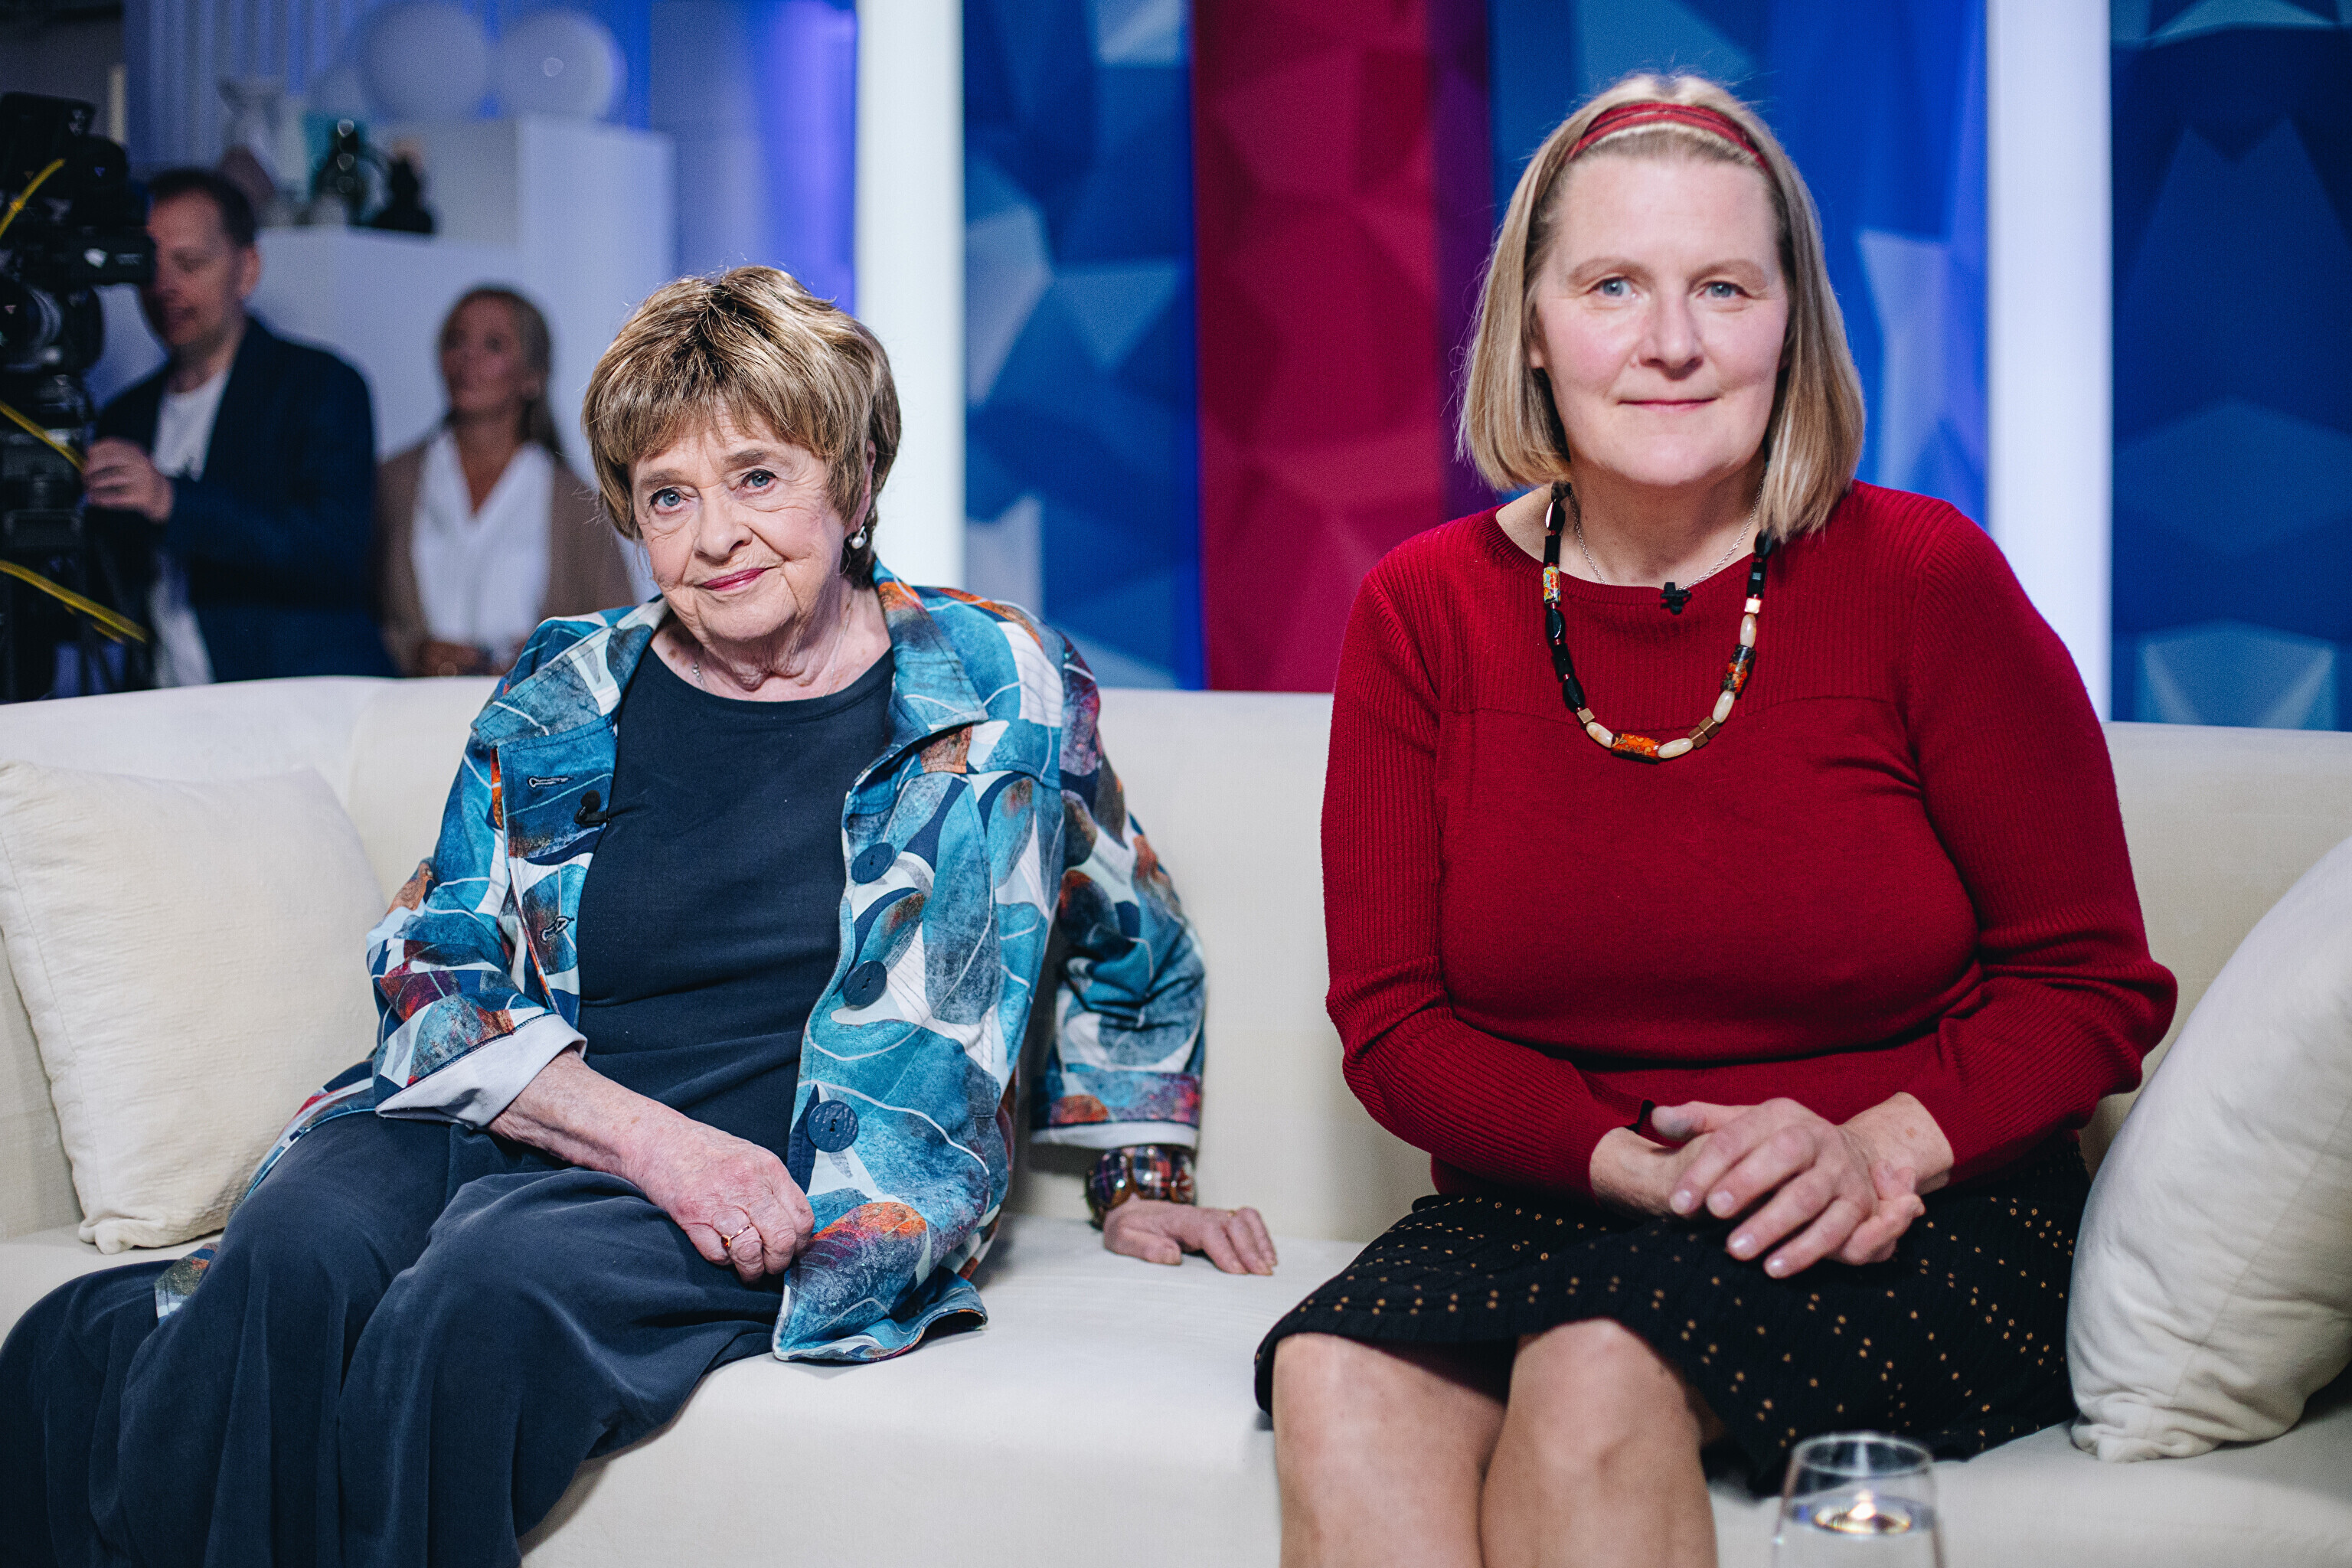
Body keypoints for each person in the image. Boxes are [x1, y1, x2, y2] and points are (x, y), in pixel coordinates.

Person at [0, 266, 1275, 1567]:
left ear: (854, 480)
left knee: (479, 1294)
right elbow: (432, 953)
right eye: (669, 496)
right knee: (296, 1242)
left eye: (758, 477)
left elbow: (1127, 922)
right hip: (535, 1110)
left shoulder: (996, 683)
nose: (715, 536)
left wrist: (1138, 1174)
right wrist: (650, 1144)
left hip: (786, 1169)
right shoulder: (567, 682)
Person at [1257, 79, 2177, 1568]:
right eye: (1613, 285)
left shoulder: (1926, 579)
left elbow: (2091, 983)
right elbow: (1396, 1022)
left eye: (1725, 288)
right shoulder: (1421, 612)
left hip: (1906, 1206)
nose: (1670, 340)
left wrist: (1873, 1148)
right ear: (1533, 327)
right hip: (1565, 1193)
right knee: (1337, 1377)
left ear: (1789, 326)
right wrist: (1640, 1167)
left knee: (1595, 1372)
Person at [83, 167, 390, 682]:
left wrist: (173, 501)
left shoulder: (319, 385)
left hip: (296, 699)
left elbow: (333, 549)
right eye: (149, 265)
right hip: (166, 706)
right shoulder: (125, 414)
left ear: (246, 269)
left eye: (189, 264)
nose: (165, 286)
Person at [374, 286, 639, 677]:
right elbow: (352, 613)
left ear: (533, 375)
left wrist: (550, 655)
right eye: (456, 341)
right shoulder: (393, 483)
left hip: (531, 711)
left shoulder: (573, 502)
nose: (468, 358)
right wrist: (412, 653)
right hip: (411, 704)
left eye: (493, 345)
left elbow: (621, 632)